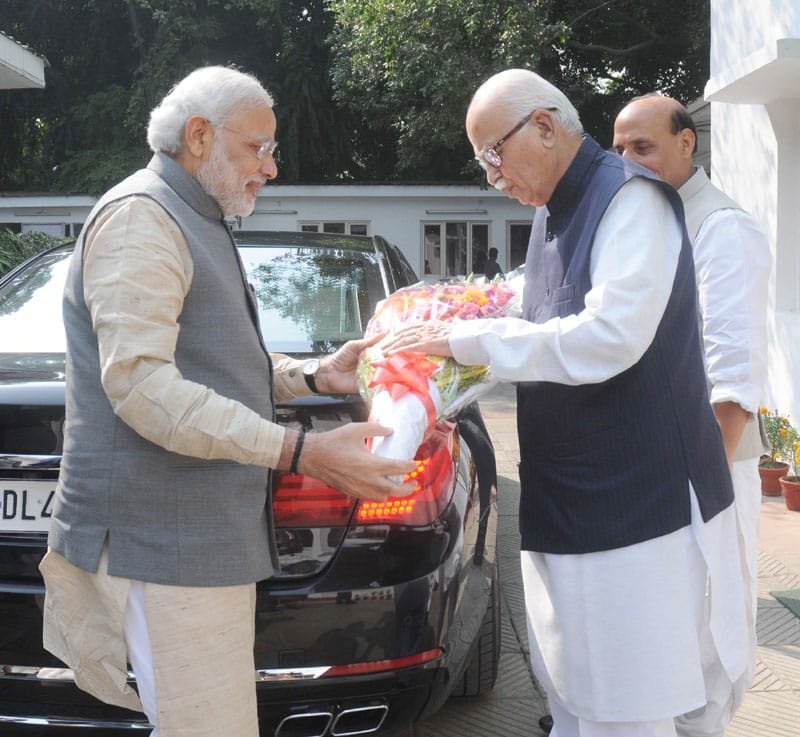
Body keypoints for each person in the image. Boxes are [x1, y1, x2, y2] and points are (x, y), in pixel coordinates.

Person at [38, 65, 415, 737]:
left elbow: (210, 361)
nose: (270, 167)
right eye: (258, 148)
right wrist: (302, 450)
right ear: (200, 135)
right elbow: (144, 388)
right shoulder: (142, 219)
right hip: (159, 548)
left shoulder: (191, 211)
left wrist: (314, 376)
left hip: (188, 545)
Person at [381, 68, 750, 737]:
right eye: (483, 162)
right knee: (577, 699)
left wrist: (467, 343)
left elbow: (610, 337)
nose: (493, 178)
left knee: (628, 709)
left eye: (494, 154)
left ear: (546, 126)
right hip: (573, 502)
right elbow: (531, 308)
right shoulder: (555, 209)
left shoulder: (629, 200)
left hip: (637, 508)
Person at [613, 93, 769, 731]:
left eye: (642, 147)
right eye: (619, 149)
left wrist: (695, 491)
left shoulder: (721, 228)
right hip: (655, 472)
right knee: (662, 642)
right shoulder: (648, 221)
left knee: (705, 639)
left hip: (707, 473)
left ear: (687, 143)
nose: (629, 162)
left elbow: (731, 384)